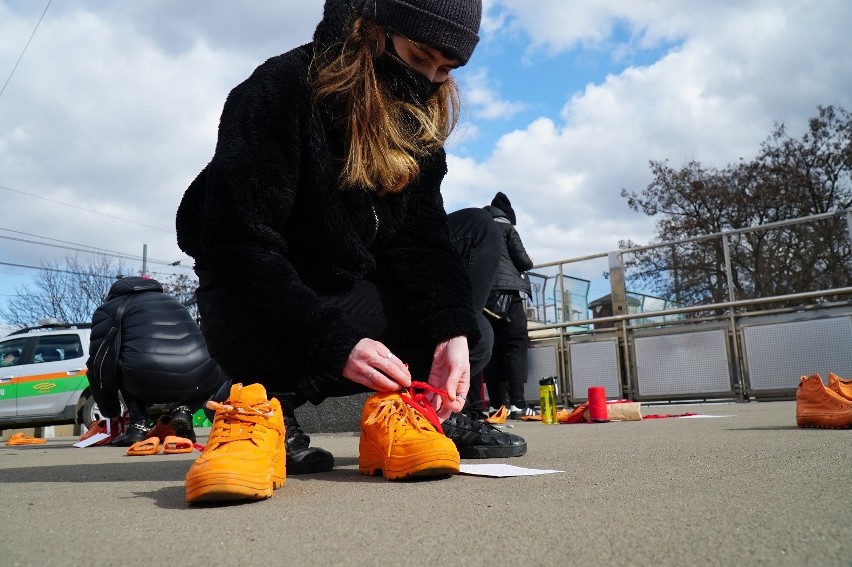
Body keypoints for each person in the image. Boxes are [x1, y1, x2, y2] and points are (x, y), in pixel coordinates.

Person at [176, 0, 526, 503]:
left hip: (344, 300)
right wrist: (334, 341)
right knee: (468, 328)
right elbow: (239, 248)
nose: (429, 79)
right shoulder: (278, 90)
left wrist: (450, 331)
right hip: (258, 313)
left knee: (476, 290)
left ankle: (424, 413)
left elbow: (420, 243)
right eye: (418, 55)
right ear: (371, 29)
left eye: (445, 70)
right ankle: (265, 404)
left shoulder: (411, 122)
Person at [86, 276, 229, 446]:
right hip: (200, 372)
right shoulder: (172, 301)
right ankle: (184, 410)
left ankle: (138, 426)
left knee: (129, 361)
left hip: (144, 373)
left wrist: (111, 411)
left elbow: (100, 363)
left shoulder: (109, 308)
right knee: (212, 369)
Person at [481, 192, 535, 420]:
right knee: (515, 347)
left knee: (492, 351)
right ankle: (518, 405)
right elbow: (523, 261)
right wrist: (529, 260)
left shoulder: (481, 229)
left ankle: (496, 406)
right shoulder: (508, 229)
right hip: (508, 296)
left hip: (484, 297)